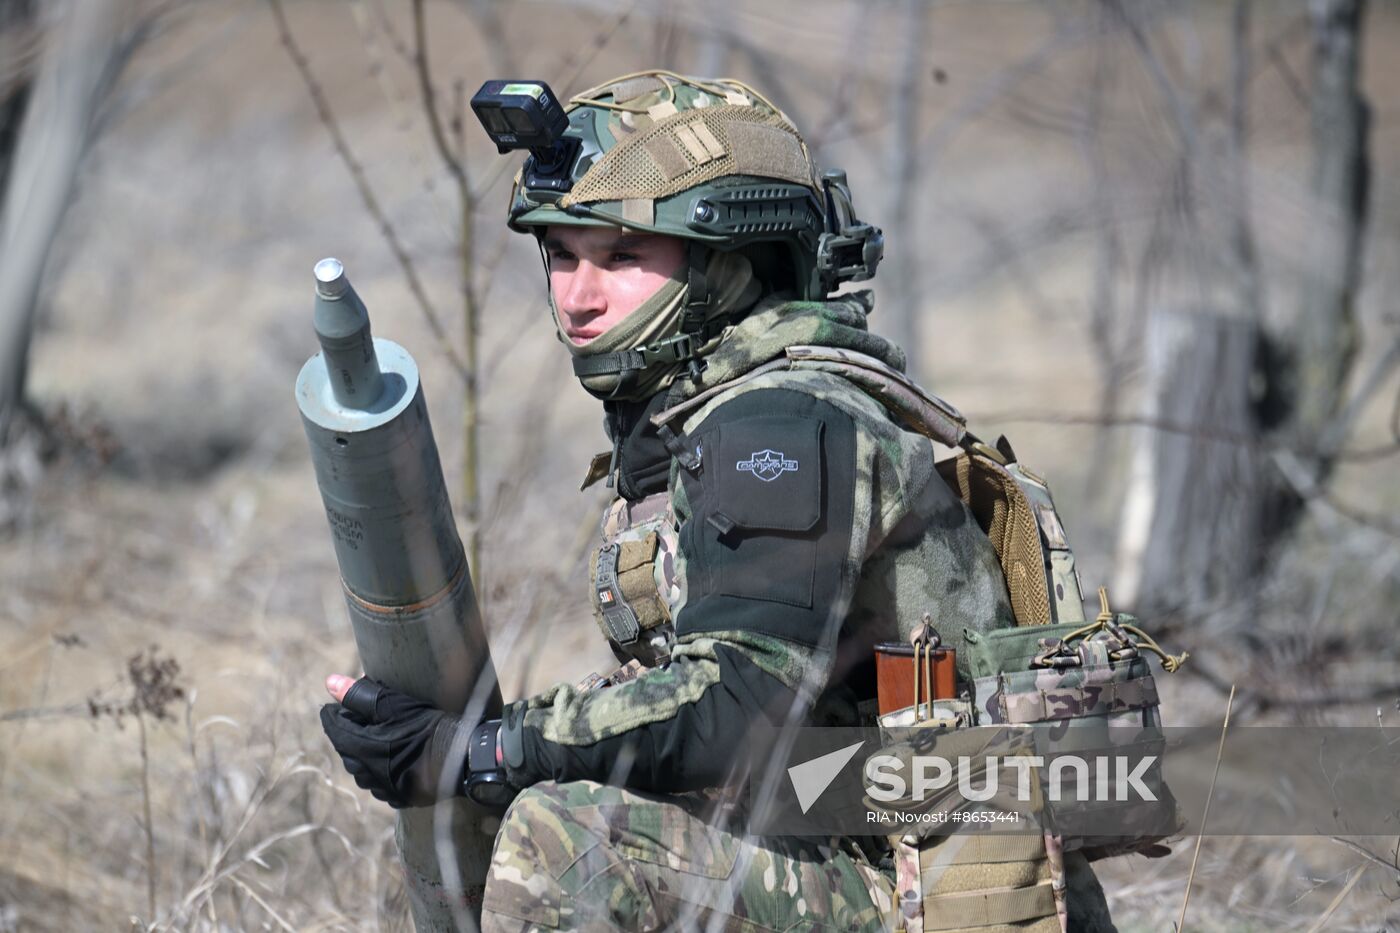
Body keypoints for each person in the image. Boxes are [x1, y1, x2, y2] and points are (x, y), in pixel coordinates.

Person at [320, 70, 1118, 932]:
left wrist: (482, 750)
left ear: (730, 263)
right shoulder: (710, 417)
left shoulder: (783, 418)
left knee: (571, 840)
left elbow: (734, 707)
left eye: (623, 256)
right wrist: (482, 745)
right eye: (561, 254)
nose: (578, 295)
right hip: (864, 851)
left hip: (936, 893)